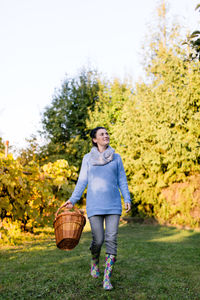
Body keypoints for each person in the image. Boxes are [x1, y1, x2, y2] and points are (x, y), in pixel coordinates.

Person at [63, 126, 131, 290]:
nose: (106, 136)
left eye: (107, 133)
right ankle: (94, 260)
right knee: (98, 240)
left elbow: (122, 179)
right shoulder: (87, 158)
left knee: (111, 239)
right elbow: (82, 181)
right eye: (102, 134)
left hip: (113, 205)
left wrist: (127, 198)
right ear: (95, 139)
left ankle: (107, 278)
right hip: (94, 205)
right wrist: (73, 200)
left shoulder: (116, 157)